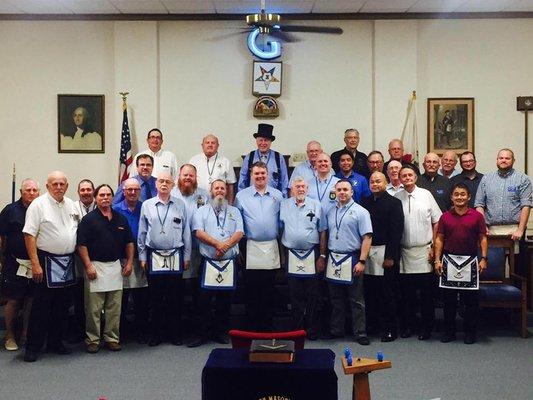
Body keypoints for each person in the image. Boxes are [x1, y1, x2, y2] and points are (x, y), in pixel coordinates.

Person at [22, 171, 80, 362]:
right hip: (45, 262)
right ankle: (33, 347)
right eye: (54, 184)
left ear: (67, 185)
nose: (58, 187)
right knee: (41, 307)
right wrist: (35, 264)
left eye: (62, 184)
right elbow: (29, 235)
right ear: (47, 186)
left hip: (67, 261)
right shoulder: (38, 205)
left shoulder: (72, 205)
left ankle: (56, 342)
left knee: (62, 306)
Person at [77, 184, 134, 353]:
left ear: (112, 197)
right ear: (96, 197)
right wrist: (88, 266)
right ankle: (93, 340)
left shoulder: (120, 218)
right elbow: (81, 245)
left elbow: (129, 242)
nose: (105, 198)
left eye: (108, 195)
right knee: (93, 308)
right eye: (101, 195)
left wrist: (129, 263)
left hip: (115, 267)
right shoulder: (88, 220)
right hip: (96, 267)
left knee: (114, 307)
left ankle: (112, 338)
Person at [138, 172, 191, 346]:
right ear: (156, 184)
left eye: (168, 182)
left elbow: (186, 232)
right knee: (155, 298)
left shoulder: (180, 204)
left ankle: (174, 334)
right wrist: (142, 256)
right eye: (161, 181)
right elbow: (142, 232)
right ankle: (156, 334)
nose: (164, 184)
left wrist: (187, 255)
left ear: (172, 185)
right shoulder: (147, 205)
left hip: (176, 255)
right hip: (154, 256)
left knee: (175, 298)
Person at [189, 179, 244, 347]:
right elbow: (198, 232)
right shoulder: (201, 211)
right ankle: (202, 334)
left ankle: (221, 333)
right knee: (203, 301)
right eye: (216, 188)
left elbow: (240, 232)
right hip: (208, 262)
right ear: (211, 191)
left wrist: (225, 246)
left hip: (228, 262)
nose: (219, 191)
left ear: (226, 191)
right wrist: (217, 245)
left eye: (222, 188)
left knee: (225, 301)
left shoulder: (235, 211)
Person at [434, 183, 488, 344]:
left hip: (470, 261)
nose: (459, 197)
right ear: (451, 197)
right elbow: (439, 239)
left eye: (463, 194)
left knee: (470, 302)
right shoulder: (445, 217)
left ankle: (470, 333)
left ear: (469, 197)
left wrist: (484, 258)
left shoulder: (477, 216)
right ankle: (449, 332)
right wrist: (437, 260)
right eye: (456, 194)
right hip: (449, 260)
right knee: (449, 301)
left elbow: (483, 238)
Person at [321, 180, 372, 345]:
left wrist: (362, 261)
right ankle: (336, 330)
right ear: (335, 191)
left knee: (356, 299)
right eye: (339, 189)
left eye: (345, 189)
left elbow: (367, 238)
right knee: (335, 298)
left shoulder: (361, 212)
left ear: (352, 192)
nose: (342, 192)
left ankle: (360, 332)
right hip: (334, 258)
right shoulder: (330, 211)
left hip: (353, 259)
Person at [235, 162, 283, 331]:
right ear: (251, 175)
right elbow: (237, 223)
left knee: (269, 288)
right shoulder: (241, 196)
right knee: (251, 288)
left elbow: (281, 222)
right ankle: (251, 325)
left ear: (267, 174)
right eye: (256, 174)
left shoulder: (277, 195)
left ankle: (268, 325)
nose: (260, 176)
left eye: (263, 173)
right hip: (250, 246)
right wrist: (239, 249)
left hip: (271, 245)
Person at [395, 165, 442, 341]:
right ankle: (408, 326)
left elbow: (437, 221)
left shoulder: (426, 195)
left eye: (410, 175)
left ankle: (426, 328)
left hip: (424, 251)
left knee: (426, 295)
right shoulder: (396, 197)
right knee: (407, 295)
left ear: (415, 177)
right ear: (399, 179)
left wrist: (433, 247)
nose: (407, 177)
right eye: (403, 175)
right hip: (404, 252)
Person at [475, 149, 532, 275]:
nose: (504, 160)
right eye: (501, 158)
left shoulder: (523, 179)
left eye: (507, 158)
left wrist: (520, 230)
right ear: (497, 160)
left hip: (514, 231)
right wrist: (482, 226)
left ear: (513, 160)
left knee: (516, 270)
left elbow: (526, 205)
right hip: (491, 231)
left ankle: (517, 293)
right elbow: (479, 205)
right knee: (490, 269)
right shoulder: (486, 179)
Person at [361, 172, 404, 342]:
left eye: (378, 181)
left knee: (388, 293)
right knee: (370, 291)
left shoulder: (394, 203)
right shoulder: (365, 202)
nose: (375, 184)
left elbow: (396, 232)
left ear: (386, 183)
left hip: (386, 252)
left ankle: (390, 329)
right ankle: (373, 326)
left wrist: (391, 256)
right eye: (372, 181)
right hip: (368, 251)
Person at [280, 177, 323, 340]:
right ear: (292, 188)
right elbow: (280, 230)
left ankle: (311, 329)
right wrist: (282, 255)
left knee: (313, 295)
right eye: (297, 186)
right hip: (291, 254)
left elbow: (322, 231)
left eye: (303, 186)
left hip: (311, 254)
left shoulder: (316, 205)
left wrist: (322, 255)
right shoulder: (284, 205)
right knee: (294, 294)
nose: (300, 189)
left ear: (307, 188)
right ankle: (297, 330)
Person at [170, 164, 210, 345]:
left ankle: (198, 333)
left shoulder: (204, 195)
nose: (188, 178)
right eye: (185, 175)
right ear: (179, 176)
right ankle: (176, 332)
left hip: (199, 252)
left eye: (191, 176)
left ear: (196, 177)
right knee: (176, 294)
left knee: (198, 295)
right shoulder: (170, 193)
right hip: (175, 252)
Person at [0, 179, 40, 351]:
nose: (31, 193)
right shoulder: (10, 210)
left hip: (37, 263)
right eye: (28, 190)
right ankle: (9, 335)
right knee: (14, 300)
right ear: (21, 192)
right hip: (14, 263)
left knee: (31, 299)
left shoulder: (42, 208)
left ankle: (25, 333)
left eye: (34, 190)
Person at [112, 178, 149, 344]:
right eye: (129, 190)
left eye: (136, 190)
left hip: (142, 259)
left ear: (140, 191)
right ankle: (121, 332)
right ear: (124, 191)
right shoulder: (115, 210)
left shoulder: (146, 208)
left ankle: (141, 331)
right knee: (122, 299)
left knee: (142, 298)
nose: (133, 193)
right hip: (122, 259)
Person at [71, 179, 96, 343]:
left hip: (97, 258)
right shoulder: (71, 207)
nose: (86, 192)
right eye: (83, 190)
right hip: (76, 258)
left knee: (96, 298)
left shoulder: (101, 205)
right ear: (78, 192)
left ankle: (96, 330)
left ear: (93, 191)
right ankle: (79, 331)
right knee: (79, 296)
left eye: (89, 189)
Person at [238, 123, 289, 197]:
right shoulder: (249, 157)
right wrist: (242, 198)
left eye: (266, 140)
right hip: (252, 198)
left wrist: (284, 199)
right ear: (256, 141)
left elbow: (284, 182)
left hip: (273, 199)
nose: (263, 143)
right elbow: (242, 181)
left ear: (270, 141)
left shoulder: (278, 158)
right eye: (260, 140)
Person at [189, 134, 237, 204]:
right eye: (207, 143)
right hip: (198, 201)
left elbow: (230, 185)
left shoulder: (226, 162)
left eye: (213, 143)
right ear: (202, 145)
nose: (210, 145)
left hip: (219, 202)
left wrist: (230, 204)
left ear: (218, 145)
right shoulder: (194, 160)